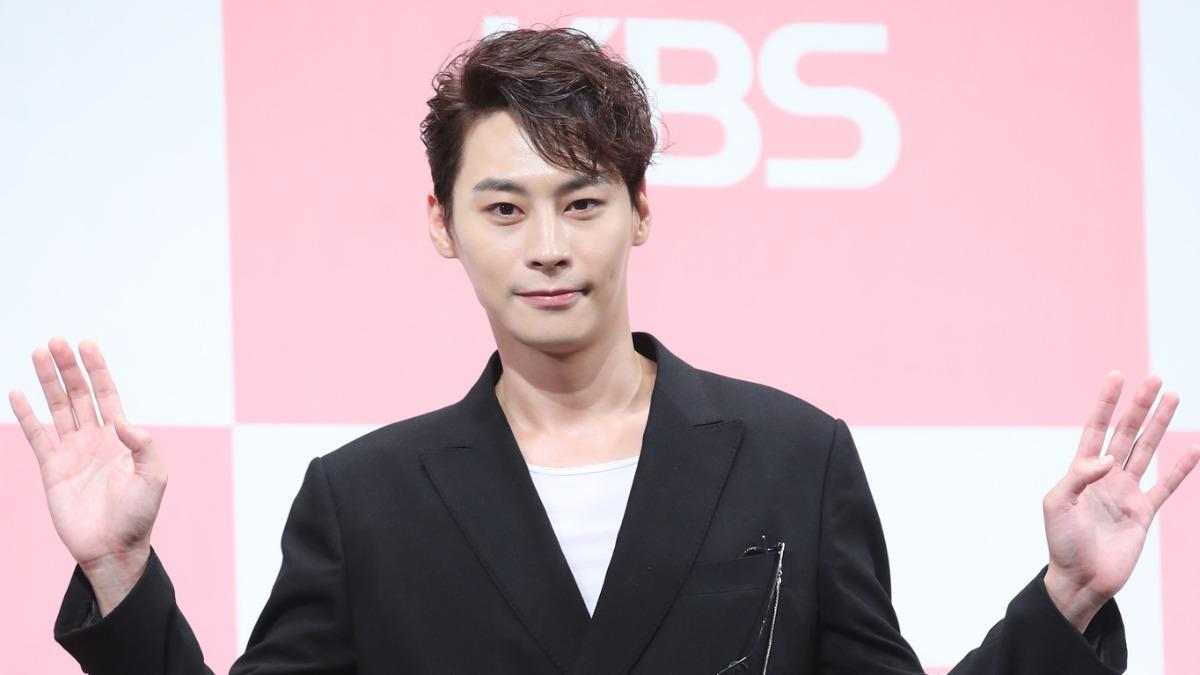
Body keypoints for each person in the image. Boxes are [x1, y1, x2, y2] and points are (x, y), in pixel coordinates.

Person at [9, 26, 1199, 675]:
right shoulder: (364, 501)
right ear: (443, 224)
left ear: (639, 212)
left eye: (581, 203)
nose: (547, 247)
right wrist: (120, 573)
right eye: (504, 207)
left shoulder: (793, 457)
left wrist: (1069, 597)